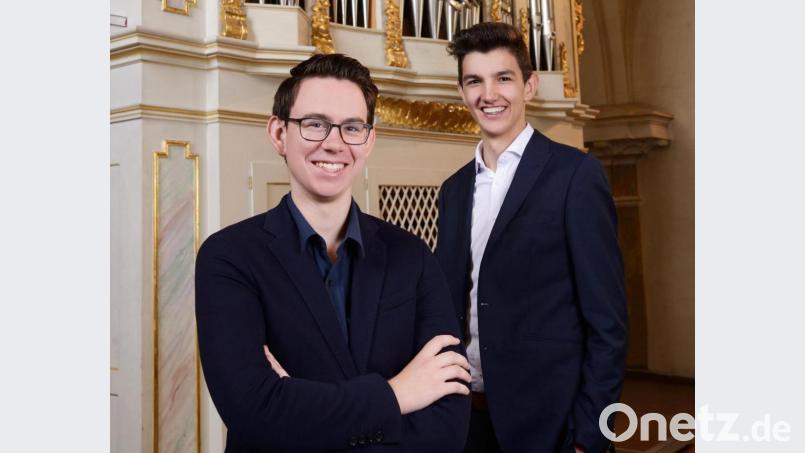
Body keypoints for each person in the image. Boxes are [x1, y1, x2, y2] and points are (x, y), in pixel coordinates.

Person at [195, 53, 471, 452]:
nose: (334, 143)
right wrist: (398, 394)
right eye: (314, 124)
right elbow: (254, 413)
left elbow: (447, 425)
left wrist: (301, 407)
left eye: (352, 127)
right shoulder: (228, 257)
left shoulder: (412, 255)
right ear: (278, 134)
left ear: (369, 140)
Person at [434, 22, 629, 453]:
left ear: (530, 85)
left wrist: (589, 436)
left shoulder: (575, 176)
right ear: (462, 92)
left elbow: (607, 323)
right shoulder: (453, 190)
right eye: (474, 81)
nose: (489, 94)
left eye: (503, 78)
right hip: (466, 419)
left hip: (553, 424)